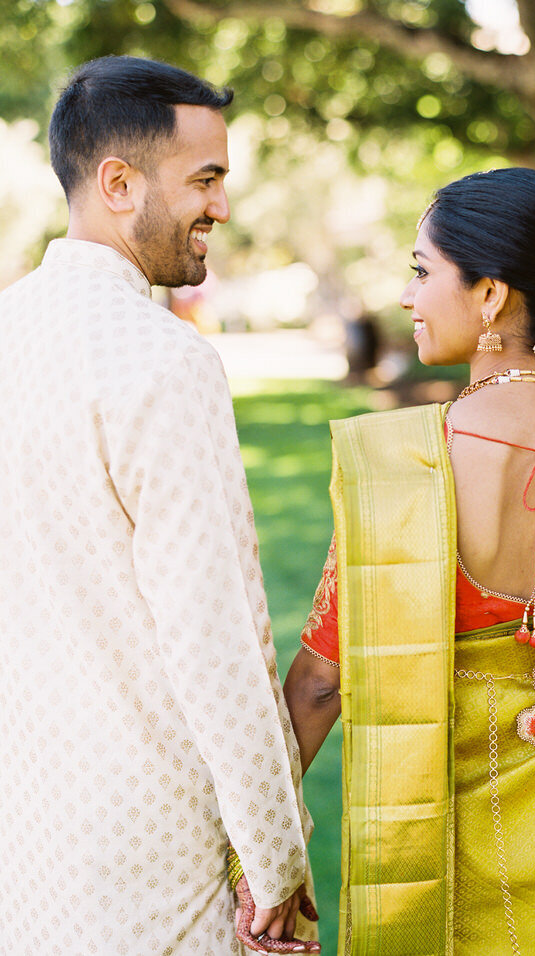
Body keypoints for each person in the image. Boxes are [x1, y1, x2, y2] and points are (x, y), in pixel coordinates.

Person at [283, 168, 535, 954]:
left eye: (423, 271)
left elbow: (322, 681)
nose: (406, 296)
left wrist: (258, 847)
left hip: (434, 851)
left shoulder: (404, 464)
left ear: (491, 295)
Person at [0, 56, 319, 954]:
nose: (221, 206)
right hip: (150, 856)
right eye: (205, 180)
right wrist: (274, 859)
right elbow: (216, 639)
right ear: (118, 183)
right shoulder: (164, 362)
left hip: (26, 834)